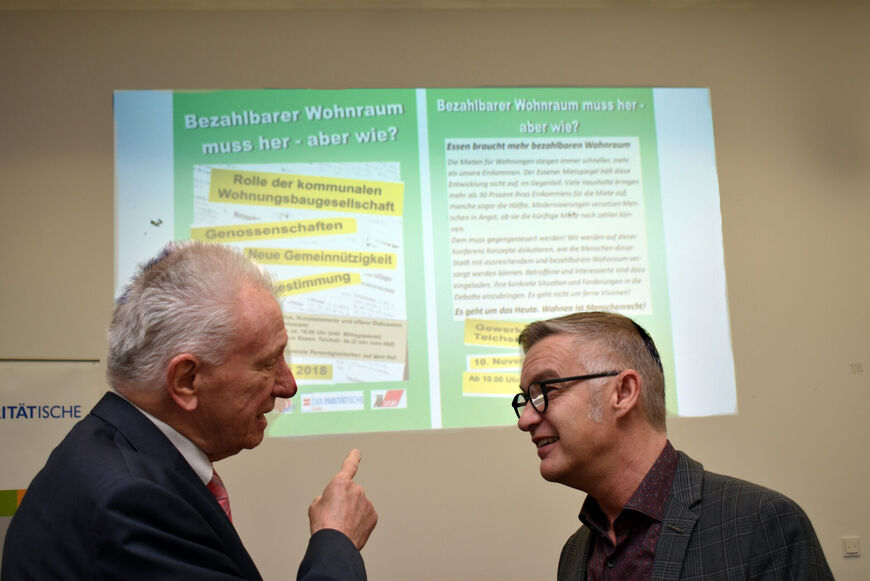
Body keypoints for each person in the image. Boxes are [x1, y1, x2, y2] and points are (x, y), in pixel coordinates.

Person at [1, 241, 377, 580]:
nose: (288, 385)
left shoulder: (105, 450)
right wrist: (336, 540)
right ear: (186, 380)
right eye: (267, 363)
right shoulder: (131, 501)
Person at [513, 311, 832, 580]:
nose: (525, 419)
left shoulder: (760, 523)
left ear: (623, 393)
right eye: (525, 399)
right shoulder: (574, 554)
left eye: (545, 392)